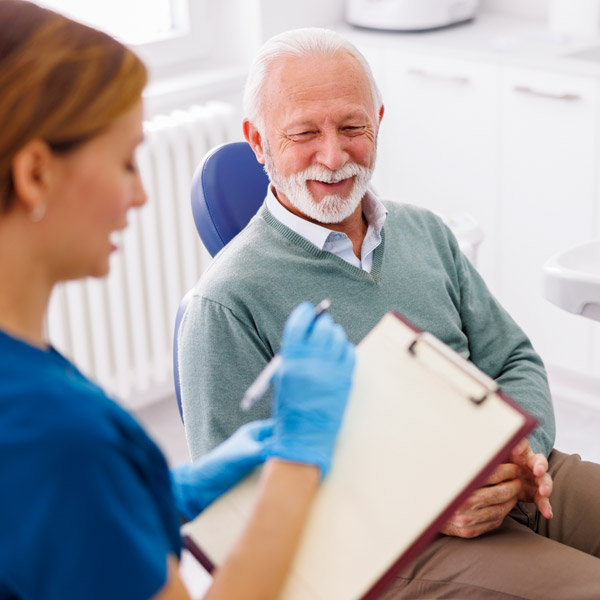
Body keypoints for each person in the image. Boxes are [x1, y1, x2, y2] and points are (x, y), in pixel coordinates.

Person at [178, 27, 600, 599]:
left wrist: (518, 456)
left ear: (378, 120)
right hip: (399, 543)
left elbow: (514, 357)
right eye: (304, 133)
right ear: (258, 142)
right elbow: (239, 517)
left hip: (512, 477)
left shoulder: (425, 231)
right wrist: (426, 502)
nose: (333, 155)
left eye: (353, 127)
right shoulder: (224, 303)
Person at [0, 4, 357, 599]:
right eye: (124, 161)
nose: (140, 195)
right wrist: (299, 457)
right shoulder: (58, 435)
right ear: (35, 173)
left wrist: (161, 492)